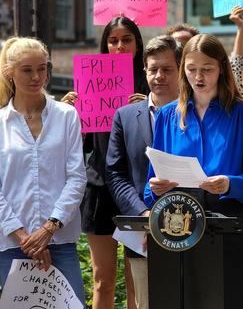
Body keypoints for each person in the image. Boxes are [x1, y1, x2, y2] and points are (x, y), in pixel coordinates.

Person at [143, 33, 243, 307]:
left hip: (229, 227)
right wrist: (156, 188)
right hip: (179, 228)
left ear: (221, 68)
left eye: (207, 69)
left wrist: (229, 184)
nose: (198, 77)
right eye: (191, 69)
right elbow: (149, 186)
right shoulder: (167, 116)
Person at [63, 16, 148, 309]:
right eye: (113, 40)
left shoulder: (151, 85)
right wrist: (71, 114)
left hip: (136, 192)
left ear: (138, 43)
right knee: (102, 279)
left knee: (139, 277)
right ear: (105, 45)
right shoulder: (91, 83)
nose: (120, 46)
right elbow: (80, 145)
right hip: (99, 189)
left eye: (127, 39)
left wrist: (148, 107)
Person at [0, 37, 87, 303]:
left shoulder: (66, 115)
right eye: (27, 69)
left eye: (42, 68)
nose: (37, 76)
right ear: (9, 73)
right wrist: (24, 237)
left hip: (59, 241)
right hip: (12, 245)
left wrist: (48, 229)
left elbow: (76, 177)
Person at [106, 35, 182, 309]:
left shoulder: (200, 113)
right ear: (144, 72)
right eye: (153, 69)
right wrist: (144, 215)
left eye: (167, 69)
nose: (159, 76)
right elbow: (116, 174)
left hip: (192, 229)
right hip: (143, 235)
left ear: (180, 68)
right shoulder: (125, 117)